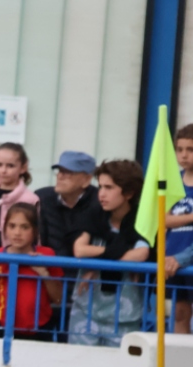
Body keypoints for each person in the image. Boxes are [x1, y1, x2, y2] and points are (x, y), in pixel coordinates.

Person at [70, 159, 149, 347]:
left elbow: (141, 254)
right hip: (85, 309)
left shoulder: (141, 220)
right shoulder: (93, 214)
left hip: (125, 314)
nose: (101, 194)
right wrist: (116, 253)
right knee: (78, 366)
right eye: (100, 187)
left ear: (129, 193)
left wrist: (97, 262)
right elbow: (80, 249)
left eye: (109, 187)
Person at [0, 203, 64, 339]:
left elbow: (58, 299)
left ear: (35, 231)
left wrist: (44, 273)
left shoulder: (46, 255)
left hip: (38, 329)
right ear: (5, 229)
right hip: (1, 328)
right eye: (12, 226)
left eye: (25, 227)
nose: (17, 233)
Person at [35, 150, 99, 258]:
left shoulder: (100, 202)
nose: (60, 176)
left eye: (68, 172)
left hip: (86, 270)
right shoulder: (41, 198)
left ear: (87, 179)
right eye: (59, 171)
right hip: (48, 269)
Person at [163, 125, 193, 333]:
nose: (184, 155)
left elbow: (172, 218)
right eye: (179, 149)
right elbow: (164, 220)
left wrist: (177, 218)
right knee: (179, 313)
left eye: (190, 150)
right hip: (171, 259)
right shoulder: (173, 182)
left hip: (187, 258)